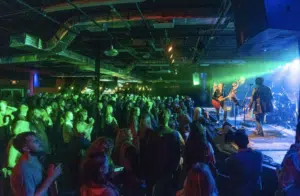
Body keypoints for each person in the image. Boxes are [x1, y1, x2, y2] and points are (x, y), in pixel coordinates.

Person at [10, 132, 62, 196]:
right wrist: (51, 177)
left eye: (38, 140)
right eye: (35, 141)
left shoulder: (35, 160)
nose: (40, 143)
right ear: (25, 148)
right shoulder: (24, 169)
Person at [225, 130, 263, 196]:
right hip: (256, 189)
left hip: (241, 192)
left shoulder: (232, 159)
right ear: (247, 141)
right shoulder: (259, 155)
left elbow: (231, 176)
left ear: (235, 143)